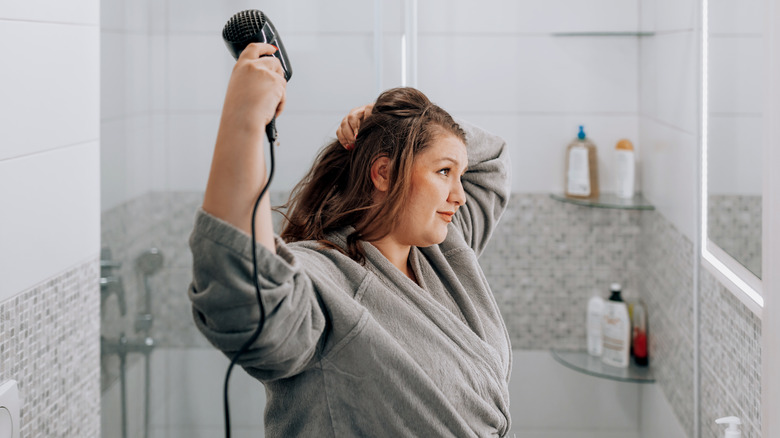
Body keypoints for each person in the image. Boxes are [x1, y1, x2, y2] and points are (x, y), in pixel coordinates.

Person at [189, 42, 512, 437]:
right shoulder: (323, 278)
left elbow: (492, 160)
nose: (460, 195)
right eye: (444, 171)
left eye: (459, 175)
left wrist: (393, 124)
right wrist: (244, 124)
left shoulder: (444, 252)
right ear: (384, 174)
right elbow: (246, 303)